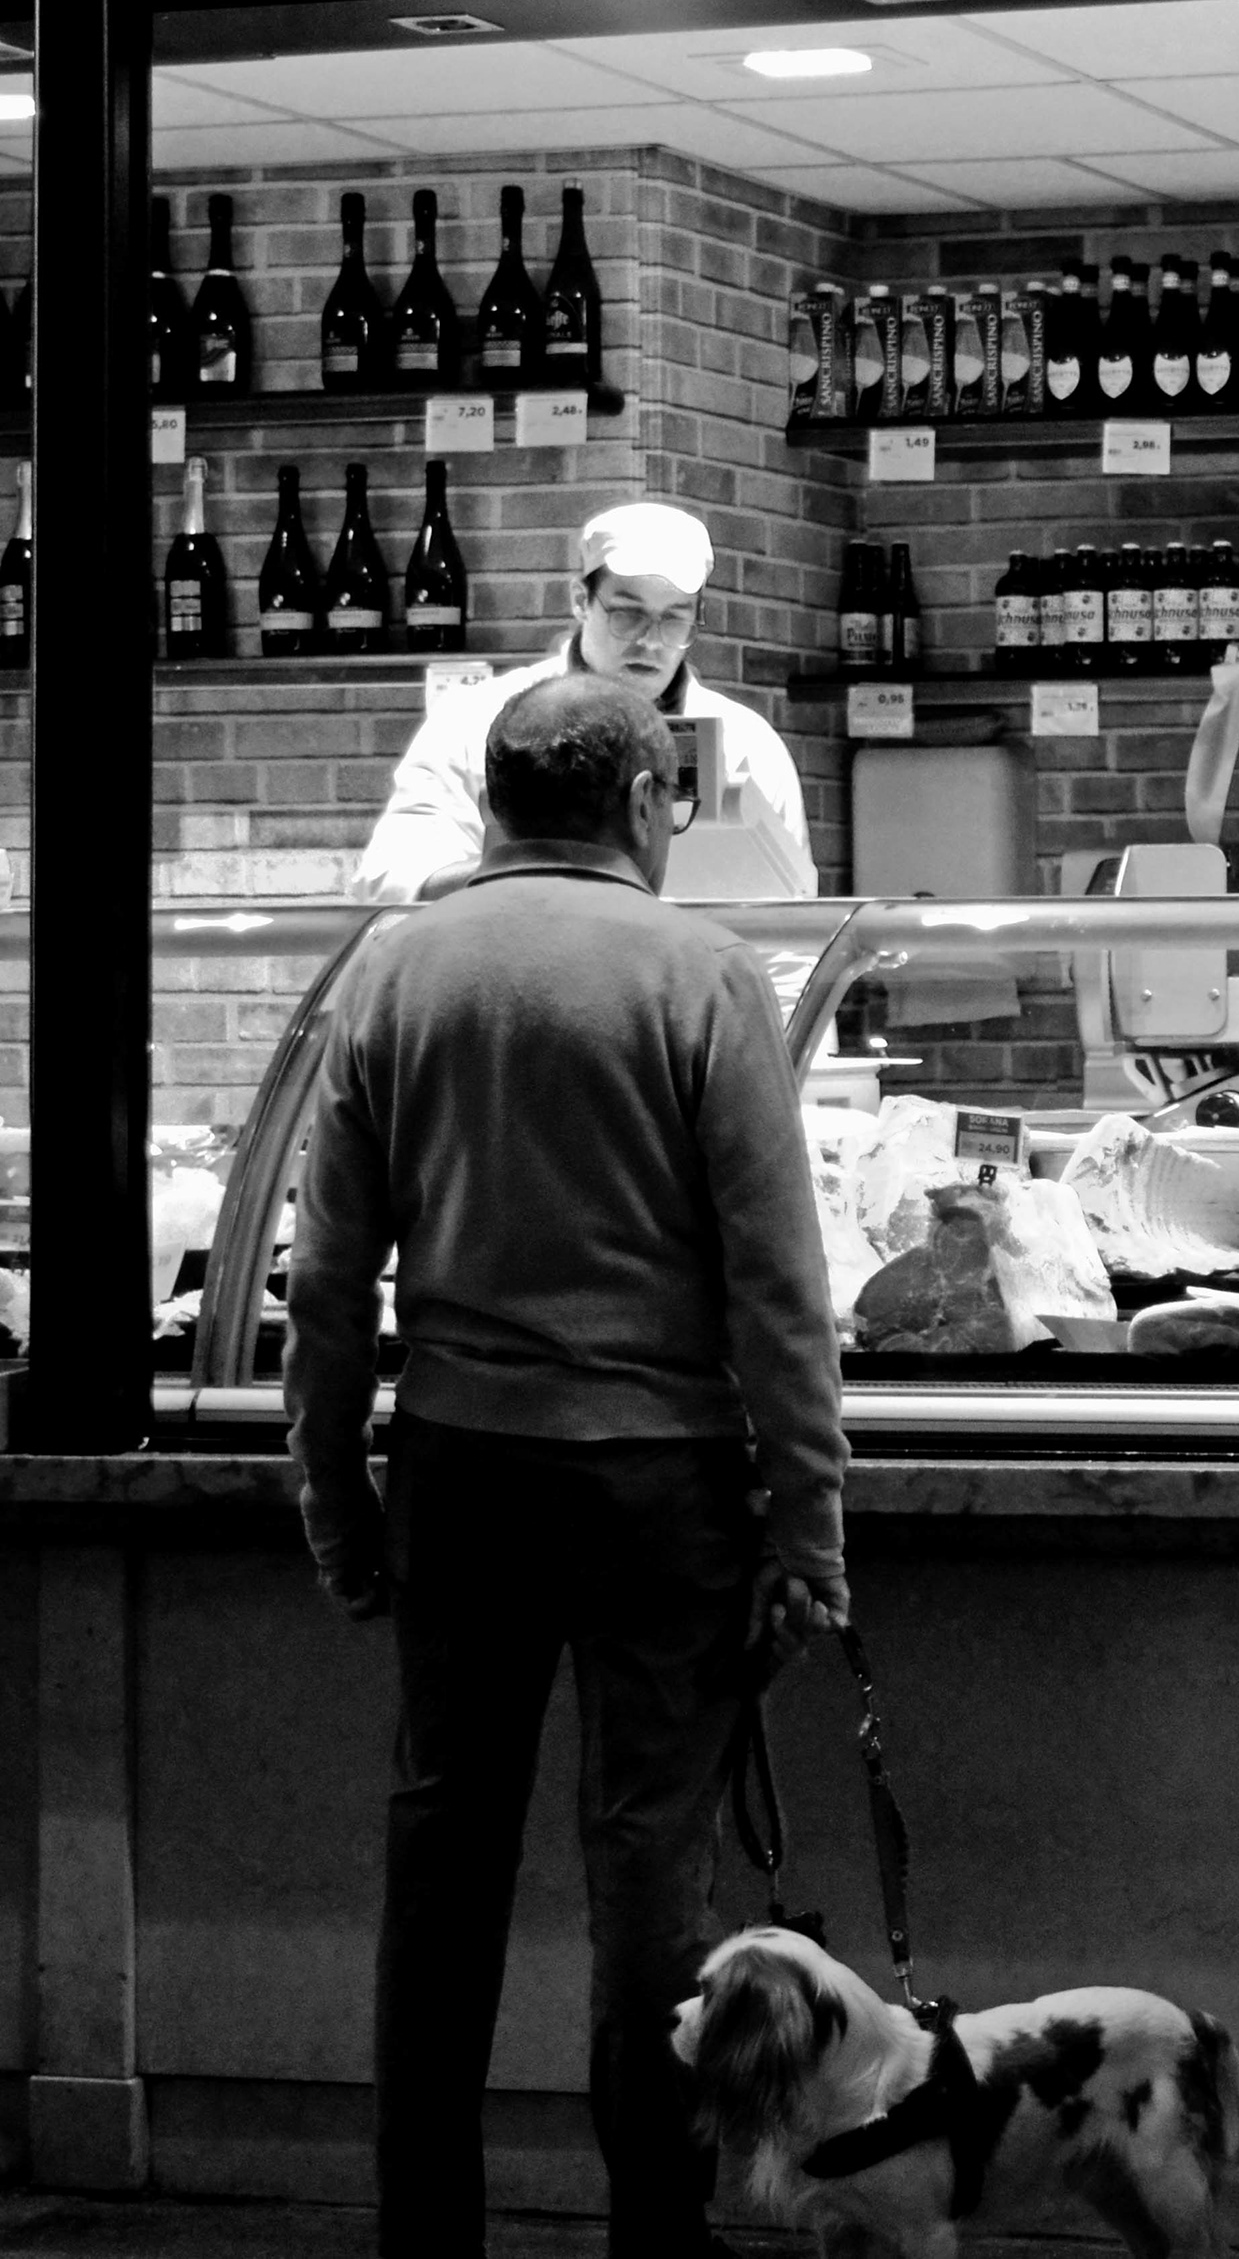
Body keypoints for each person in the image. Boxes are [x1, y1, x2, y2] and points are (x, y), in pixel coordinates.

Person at [286, 672, 854, 2259]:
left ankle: (425, 2234)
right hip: (659, 1483)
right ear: (645, 802)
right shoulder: (701, 970)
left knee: (442, 1853)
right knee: (646, 1871)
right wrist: (808, 1529)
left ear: (489, 802)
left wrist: (337, 1496)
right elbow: (775, 1283)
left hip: (460, 1467)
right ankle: (655, 2241)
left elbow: (327, 1282)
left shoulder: (397, 968)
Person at [351, 500, 813, 903]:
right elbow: (391, 881)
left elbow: (798, 926)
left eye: (674, 619)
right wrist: (537, 871)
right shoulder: (476, 721)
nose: (651, 642)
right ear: (580, 600)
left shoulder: (748, 744)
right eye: (628, 614)